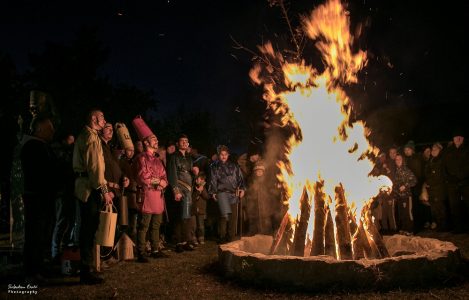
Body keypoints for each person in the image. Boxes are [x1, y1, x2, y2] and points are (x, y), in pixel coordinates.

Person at [73, 109, 113, 284]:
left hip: (87, 186)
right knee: (88, 229)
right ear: (94, 119)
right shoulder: (90, 137)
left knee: (88, 228)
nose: (104, 120)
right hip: (89, 188)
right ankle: (86, 270)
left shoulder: (90, 135)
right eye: (102, 117)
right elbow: (95, 168)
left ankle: (87, 268)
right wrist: (104, 191)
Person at [21, 115, 57, 281]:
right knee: (36, 233)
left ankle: (39, 266)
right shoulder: (33, 146)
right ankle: (33, 269)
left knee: (41, 232)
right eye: (50, 128)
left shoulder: (38, 146)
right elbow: (44, 172)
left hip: (41, 195)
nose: (53, 132)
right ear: (40, 129)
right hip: (37, 196)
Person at [131, 116, 169, 262]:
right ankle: (141, 252)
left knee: (156, 224)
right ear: (146, 142)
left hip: (158, 196)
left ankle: (155, 249)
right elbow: (142, 177)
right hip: (147, 196)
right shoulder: (141, 158)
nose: (156, 141)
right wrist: (158, 181)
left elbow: (164, 176)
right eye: (154, 139)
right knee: (144, 225)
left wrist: (163, 182)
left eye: (156, 139)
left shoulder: (158, 160)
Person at [167, 134, 198, 252]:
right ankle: (178, 242)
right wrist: (176, 191)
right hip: (179, 189)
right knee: (178, 217)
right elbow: (172, 174)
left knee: (186, 216)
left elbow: (190, 176)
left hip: (188, 190)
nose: (185, 143)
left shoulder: (190, 158)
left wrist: (195, 172)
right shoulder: (173, 157)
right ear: (177, 143)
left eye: (186, 141)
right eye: (182, 141)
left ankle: (186, 241)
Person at [208, 145, 245, 243]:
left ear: (228, 155)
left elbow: (240, 179)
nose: (223, 156)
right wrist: (213, 192)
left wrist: (242, 189)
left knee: (233, 217)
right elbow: (213, 180)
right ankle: (222, 237)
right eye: (221, 154)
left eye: (225, 154)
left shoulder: (234, 166)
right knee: (224, 217)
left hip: (233, 194)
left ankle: (231, 237)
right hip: (222, 193)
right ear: (218, 155)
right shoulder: (214, 167)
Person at [442, 129, 469, 233]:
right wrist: (448, 178)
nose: (457, 139)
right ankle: (458, 227)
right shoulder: (448, 151)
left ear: (463, 138)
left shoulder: (467, 149)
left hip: (465, 182)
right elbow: (444, 166)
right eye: (455, 137)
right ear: (453, 139)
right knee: (454, 206)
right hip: (452, 184)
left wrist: (461, 176)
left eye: (460, 137)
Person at [423, 143, 447, 230]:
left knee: (440, 207)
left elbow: (438, 175)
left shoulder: (440, 160)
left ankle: (444, 226)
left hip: (438, 188)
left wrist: (430, 182)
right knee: (434, 208)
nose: (433, 151)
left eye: (435, 149)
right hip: (432, 188)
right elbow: (427, 173)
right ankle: (439, 225)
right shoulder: (431, 160)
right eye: (432, 149)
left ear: (440, 150)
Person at [392, 154, 417, 235]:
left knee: (407, 213)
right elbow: (395, 185)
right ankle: (403, 229)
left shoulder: (406, 170)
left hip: (406, 196)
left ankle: (410, 230)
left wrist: (405, 186)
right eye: (396, 159)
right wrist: (395, 195)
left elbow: (414, 181)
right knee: (401, 214)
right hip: (399, 197)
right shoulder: (395, 171)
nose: (398, 161)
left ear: (403, 160)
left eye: (399, 159)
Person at [191, 173, 210, 245]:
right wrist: (198, 191)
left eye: (202, 179)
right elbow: (193, 197)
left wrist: (202, 189)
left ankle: (201, 238)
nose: (196, 180)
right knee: (194, 225)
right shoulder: (193, 187)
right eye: (196, 179)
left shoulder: (204, 188)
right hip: (194, 209)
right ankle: (193, 238)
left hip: (201, 210)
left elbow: (207, 197)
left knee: (201, 225)